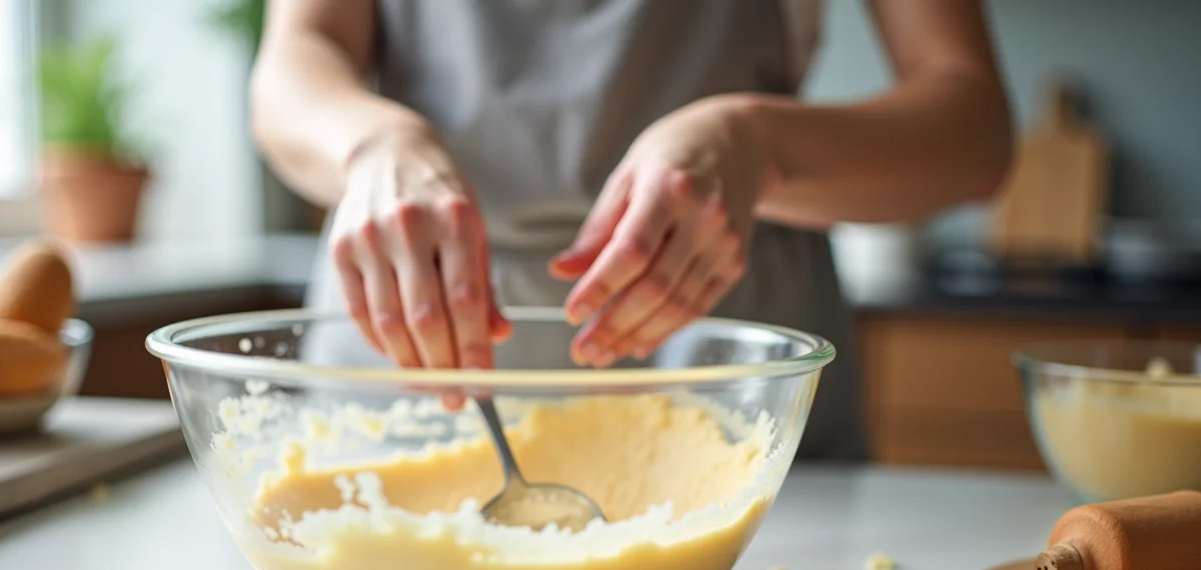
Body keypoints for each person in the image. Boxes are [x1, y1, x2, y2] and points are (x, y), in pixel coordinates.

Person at [249, 0, 1013, 461]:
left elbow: (974, 129)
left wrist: (755, 144)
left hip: (734, 378)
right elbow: (296, 56)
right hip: (402, 361)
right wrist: (371, 145)